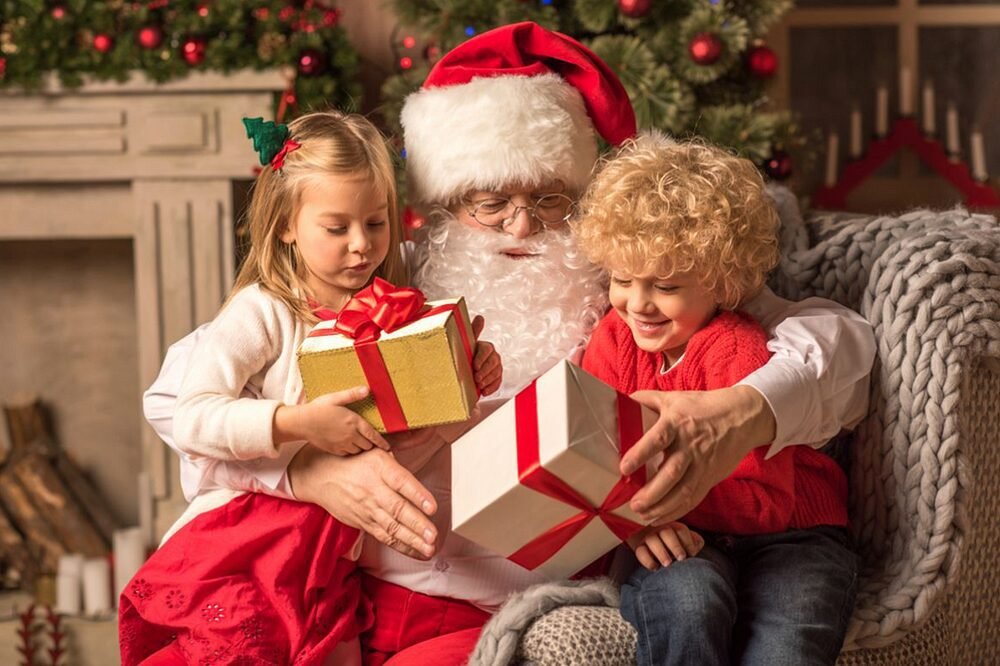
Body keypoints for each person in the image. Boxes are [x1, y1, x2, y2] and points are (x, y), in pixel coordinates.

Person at [140, 21, 875, 664]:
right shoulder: (380, 288)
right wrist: (306, 475)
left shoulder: (633, 288)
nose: (522, 229)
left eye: (549, 200)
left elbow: (836, 341)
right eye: (490, 203)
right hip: (366, 597)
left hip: (523, 595)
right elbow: (187, 415)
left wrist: (745, 409)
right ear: (445, 207)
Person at [118, 110, 502, 665]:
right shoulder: (265, 312)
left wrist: (468, 371)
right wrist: (297, 423)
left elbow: (411, 432)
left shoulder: (393, 304)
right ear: (286, 226)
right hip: (253, 538)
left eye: (375, 223)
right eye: (336, 227)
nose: (361, 246)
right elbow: (193, 415)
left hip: (334, 553)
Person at [576, 134, 857, 665]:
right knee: (685, 602)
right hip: (677, 530)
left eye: (666, 285)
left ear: (721, 282)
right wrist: (636, 523)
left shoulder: (738, 347)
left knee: (789, 635)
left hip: (791, 529)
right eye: (622, 279)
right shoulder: (611, 341)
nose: (638, 304)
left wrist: (650, 504)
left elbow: (766, 503)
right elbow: (592, 457)